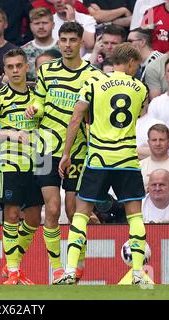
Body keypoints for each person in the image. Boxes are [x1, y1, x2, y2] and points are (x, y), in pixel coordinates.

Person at [58, 43, 149, 285]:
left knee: (81, 213)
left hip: (98, 158)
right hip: (127, 160)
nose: (136, 69)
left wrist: (66, 153)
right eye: (136, 65)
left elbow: (76, 117)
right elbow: (140, 113)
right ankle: (138, 273)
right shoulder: (140, 88)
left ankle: (69, 271)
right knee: (135, 215)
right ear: (130, 62)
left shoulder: (93, 83)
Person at [25, 22, 102, 285]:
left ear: (82, 42)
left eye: (72, 40)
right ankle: (57, 270)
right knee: (52, 209)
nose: (67, 45)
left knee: (74, 210)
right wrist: (34, 108)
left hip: (78, 151)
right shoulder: (46, 71)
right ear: (58, 42)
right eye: (64, 40)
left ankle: (77, 269)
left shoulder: (93, 75)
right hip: (46, 149)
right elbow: (39, 99)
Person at [0, 49, 43, 285]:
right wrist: (11, 134)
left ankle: (12, 264)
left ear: (26, 67)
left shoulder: (37, 95)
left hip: (37, 163)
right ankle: (13, 271)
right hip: (10, 163)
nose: (14, 71)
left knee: (33, 218)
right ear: (5, 70)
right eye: (10, 67)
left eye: (18, 66)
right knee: (11, 215)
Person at [21, 7, 59, 82]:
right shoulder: (23, 51)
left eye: (45, 23)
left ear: (53, 25)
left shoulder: (63, 48)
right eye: (37, 23)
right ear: (31, 26)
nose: (41, 27)